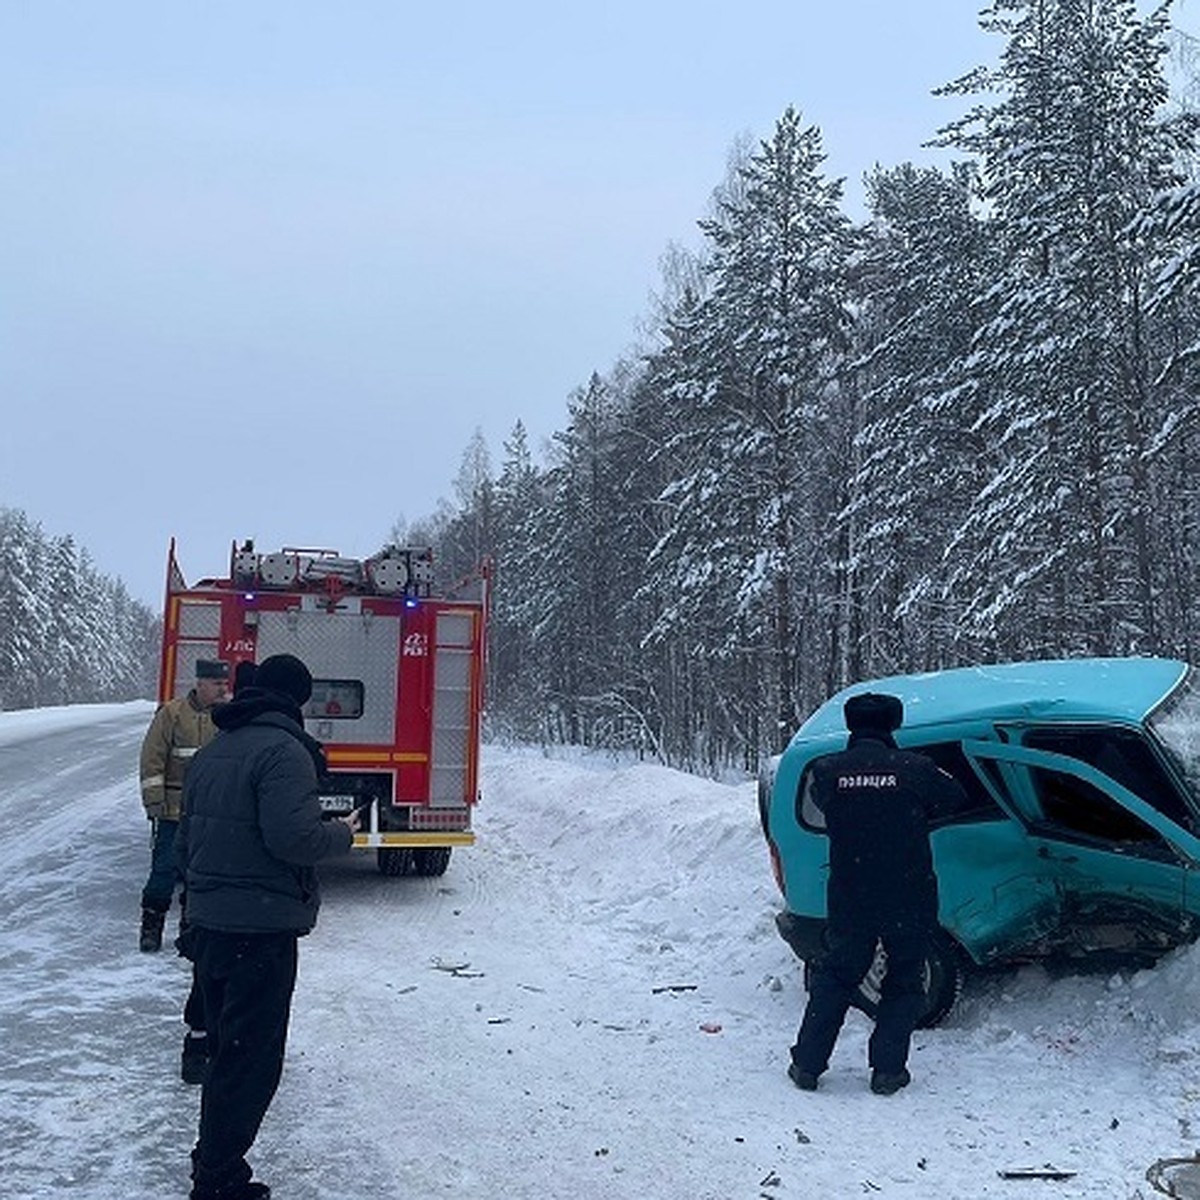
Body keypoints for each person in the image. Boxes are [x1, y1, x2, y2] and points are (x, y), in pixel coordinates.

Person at [176, 653, 359, 1200]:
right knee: (250, 1061)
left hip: (211, 925)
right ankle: (218, 1179)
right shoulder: (284, 753)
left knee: (225, 1053)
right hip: (258, 931)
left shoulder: (214, 751)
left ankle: (212, 1160)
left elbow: (185, 844)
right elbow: (292, 840)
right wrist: (340, 834)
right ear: (298, 699)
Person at [789, 691, 967, 1096]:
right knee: (904, 979)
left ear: (852, 725)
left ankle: (807, 1064)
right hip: (907, 894)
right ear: (894, 725)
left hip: (852, 893)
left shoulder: (829, 772)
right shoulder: (917, 769)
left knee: (835, 978)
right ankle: (887, 1071)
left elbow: (823, 802)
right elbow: (956, 797)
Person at [178, 658, 259, 1086]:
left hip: (208, 879)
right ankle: (218, 1051)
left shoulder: (222, 733)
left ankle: (199, 1046)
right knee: (233, 978)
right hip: (233, 887)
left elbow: (189, 829)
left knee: (207, 972)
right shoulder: (249, 736)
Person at [138, 658, 229, 952]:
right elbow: (152, 758)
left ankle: (190, 931)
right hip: (173, 812)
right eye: (217, 684)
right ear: (200, 684)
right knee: (163, 871)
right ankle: (151, 927)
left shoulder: (228, 716)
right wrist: (154, 801)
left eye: (224, 684)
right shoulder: (172, 714)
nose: (222, 690)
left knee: (200, 875)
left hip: (212, 814)